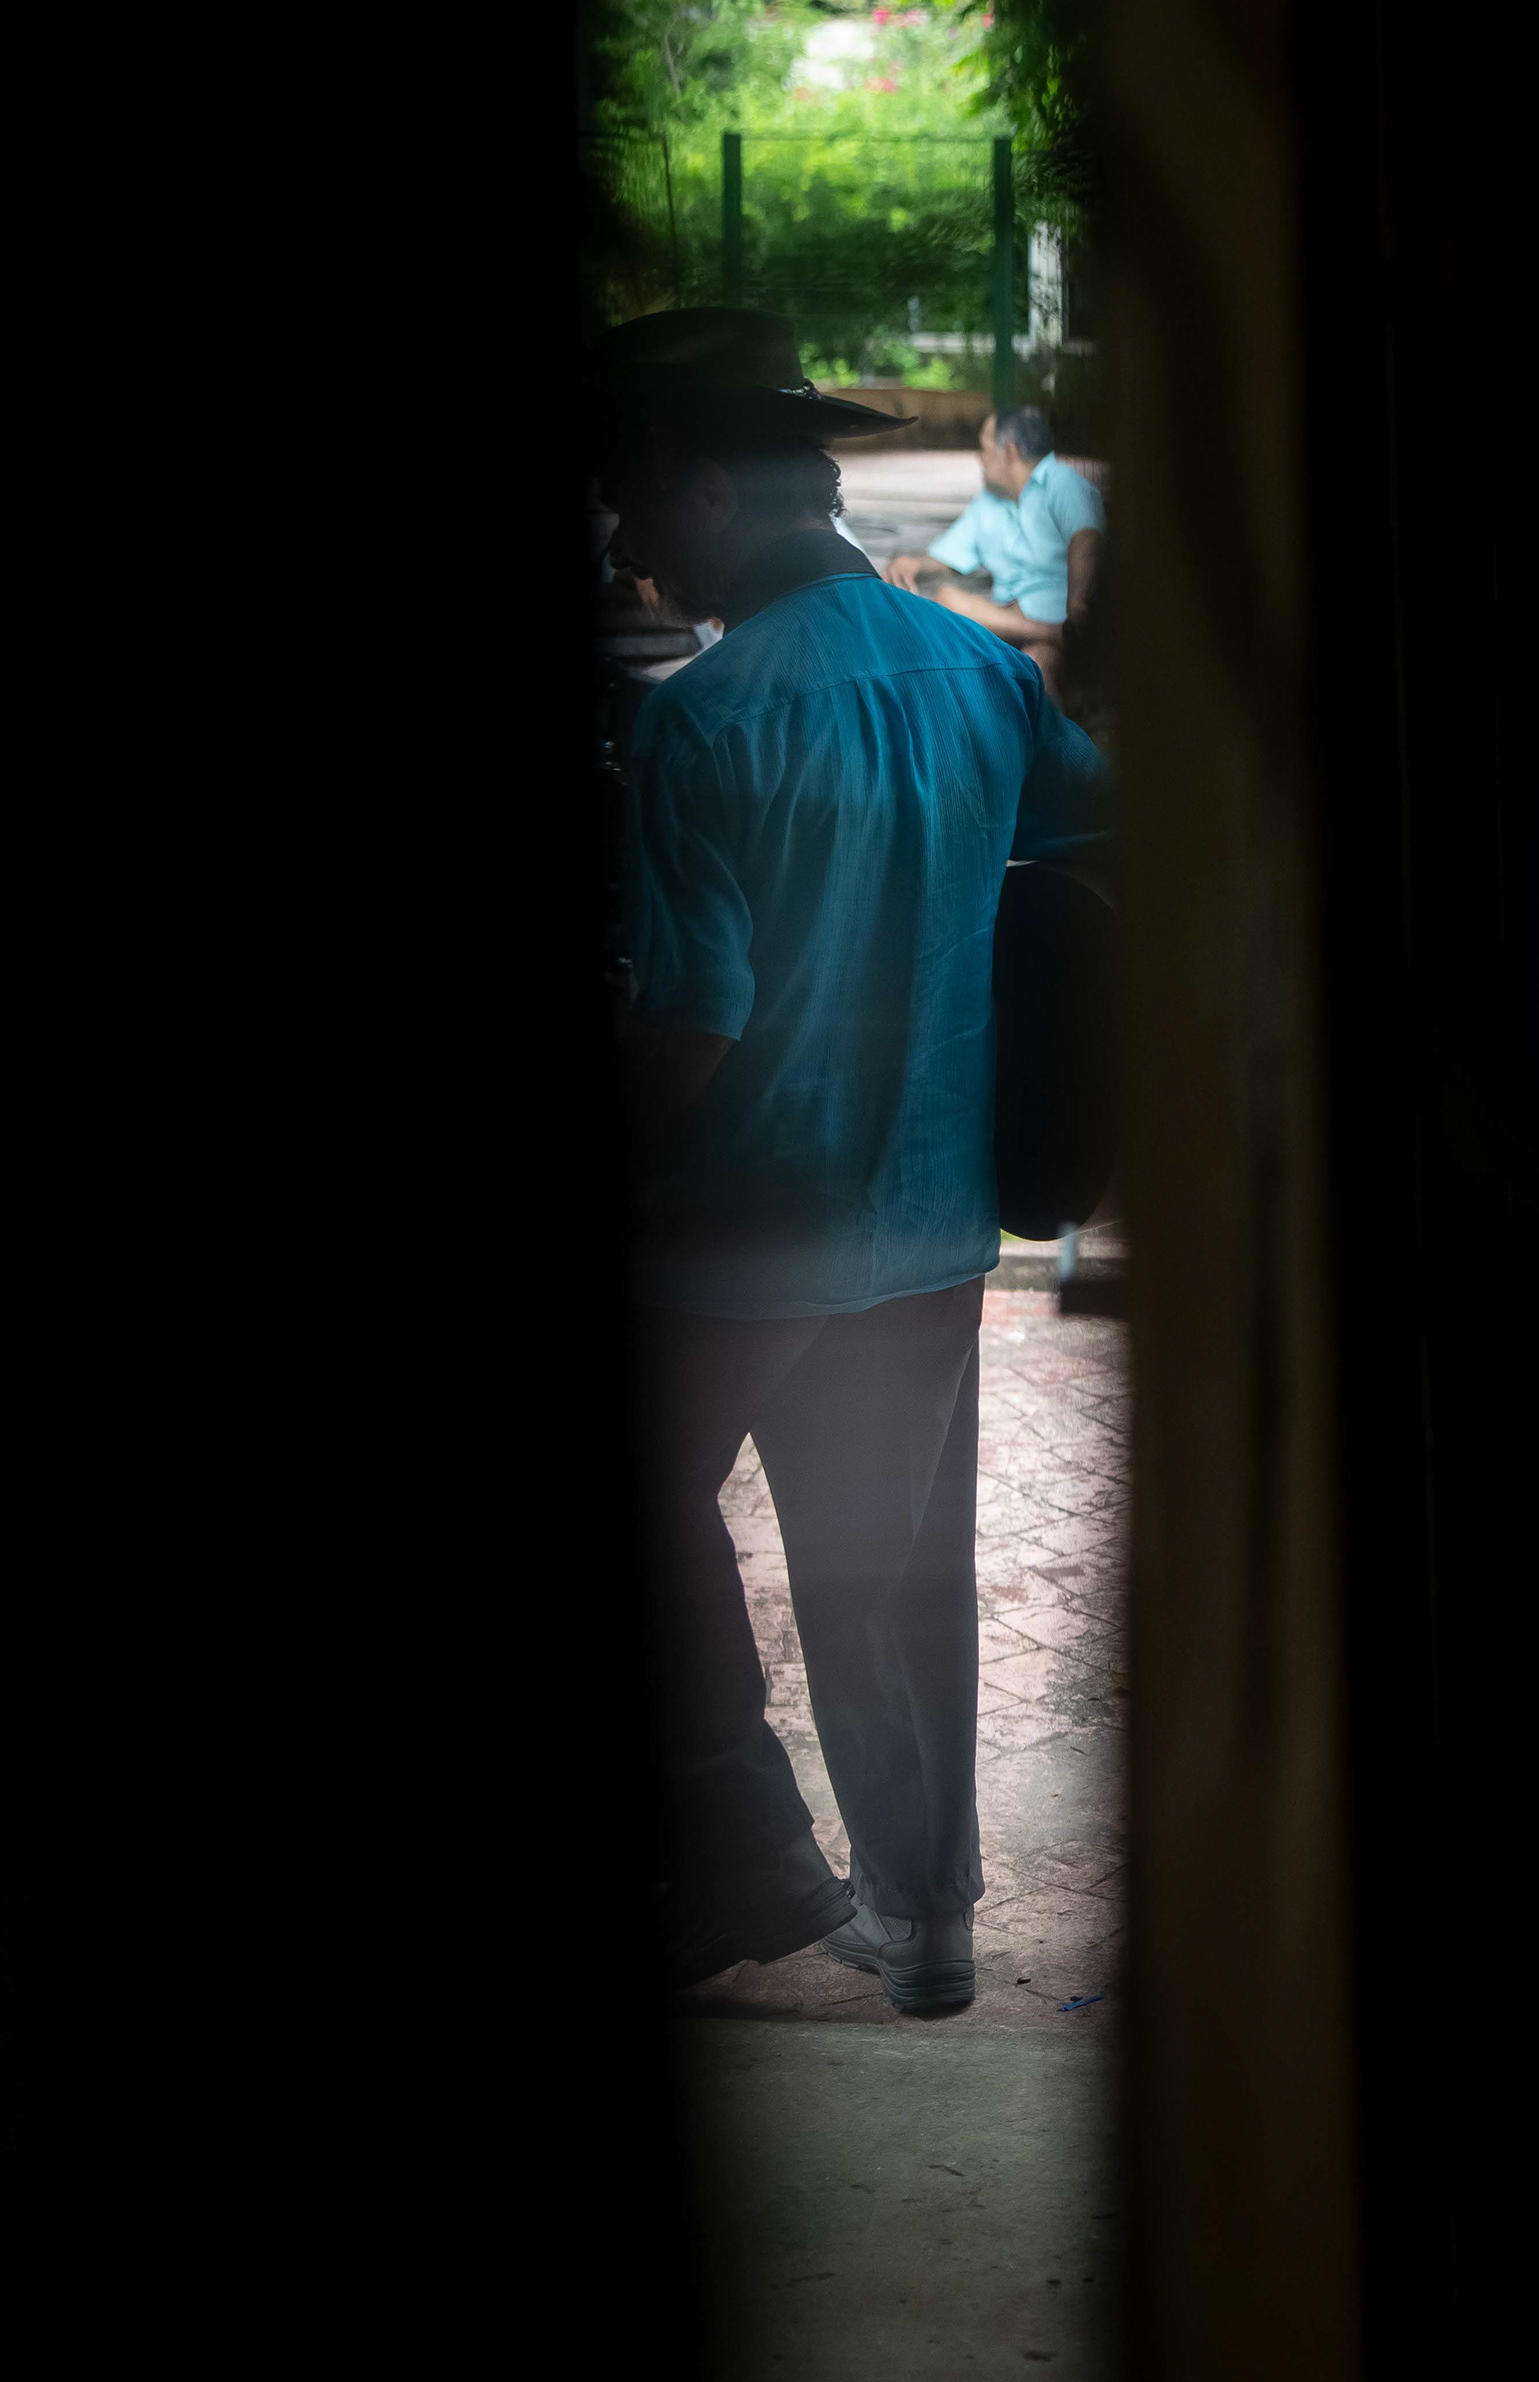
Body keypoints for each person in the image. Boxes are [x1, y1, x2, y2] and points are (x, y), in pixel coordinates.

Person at [593, 310, 1111, 2019]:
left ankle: (745, 1850)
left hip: (739, 1231)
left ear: (707, 488)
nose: (627, 547)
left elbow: (694, 1018)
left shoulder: (696, 728)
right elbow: (1092, 862)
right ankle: (926, 1922)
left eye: (635, 509)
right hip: (929, 1221)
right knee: (889, 1573)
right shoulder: (982, 673)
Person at [884, 405, 1105, 706]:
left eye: (984, 448)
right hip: (1014, 624)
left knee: (1038, 667)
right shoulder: (988, 502)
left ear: (1009, 452)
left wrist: (1077, 603)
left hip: (1061, 619)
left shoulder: (1061, 483)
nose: (979, 457)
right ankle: (1053, 635)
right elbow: (950, 554)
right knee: (946, 602)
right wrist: (913, 563)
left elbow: (1086, 537)